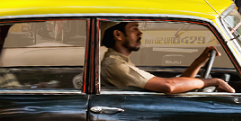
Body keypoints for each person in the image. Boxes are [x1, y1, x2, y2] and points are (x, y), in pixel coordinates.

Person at [99, 21, 233, 93]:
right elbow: (169, 86)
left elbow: (177, 83)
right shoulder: (115, 65)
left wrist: (200, 61)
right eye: (134, 29)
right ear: (118, 35)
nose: (140, 32)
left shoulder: (120, 61)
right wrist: (213, 82)